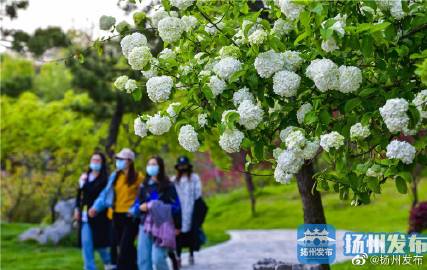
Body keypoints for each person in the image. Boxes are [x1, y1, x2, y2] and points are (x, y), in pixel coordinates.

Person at [89, 148, 143, 270]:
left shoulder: (138, 177)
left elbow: (145, 196)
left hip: (130, 217)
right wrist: (95, 207)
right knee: (127, 248)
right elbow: (105, 194)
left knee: (123, 250)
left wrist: (137, 209)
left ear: (129, 161)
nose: (117, 161)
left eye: (120, 159)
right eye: (117, 159)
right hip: (115, 215)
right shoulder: (115, 176)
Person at [132, 156, 182, 270]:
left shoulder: (169, 186)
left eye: (154, 164)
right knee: (143, 261)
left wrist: (178, 225)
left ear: (160, 167)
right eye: (149, 164)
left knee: (158, 258)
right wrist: (140, 207)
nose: (151, 167)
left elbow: (177, 207)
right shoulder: (143, 186)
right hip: (145, 225)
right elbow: (135, 207)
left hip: (163, 226)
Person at [74, 152, 113, 270]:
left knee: (101, 247)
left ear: (102, 163)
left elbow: (96, 194)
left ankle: (111, 264)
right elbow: (80, 196)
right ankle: (89, 267)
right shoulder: (85, 177)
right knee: (87, 245)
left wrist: (83, 184)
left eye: (98, 161)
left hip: (99, 217)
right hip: (85, 216)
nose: (95, 163)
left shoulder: (105, 180)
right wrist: (76, 209)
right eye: (93, 160)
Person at [171, 156, 203, 266]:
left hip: (191, 209)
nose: (183, 168)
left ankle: (191, 255)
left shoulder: (194, 178)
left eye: (184, 165)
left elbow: (198, 193)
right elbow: (171, 194)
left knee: (191, 234)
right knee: (178, 235)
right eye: (181, 166)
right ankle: (178, 256)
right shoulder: (174, 180)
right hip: (178, 211)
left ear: (188, 166)